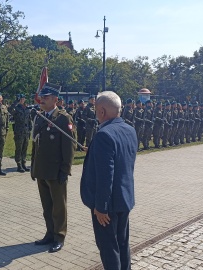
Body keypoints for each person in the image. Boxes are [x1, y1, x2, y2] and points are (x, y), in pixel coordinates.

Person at [80, 91, 138, 270]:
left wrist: (101, 207)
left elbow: (106, 175)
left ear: (102, 111)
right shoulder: (129, 129)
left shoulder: (104, 135)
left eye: (97, 110)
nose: (97, 114)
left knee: (109, 248)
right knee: (122, 244)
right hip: (124, 198)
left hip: (108, 205)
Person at [31, 83, 76, 253]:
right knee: (47, 206)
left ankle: (59, 236)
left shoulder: (63, 118)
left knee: (58, 207)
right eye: (42, 97)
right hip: (42, 170)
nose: (42, 100)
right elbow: (36, 144)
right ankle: (50, 233)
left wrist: (65, 170)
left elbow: (69, 146)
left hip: (56, 171)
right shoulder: (40, 116)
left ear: (55, 99)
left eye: (46, 97)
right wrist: (34, 167)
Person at [9, 94, 31, 172]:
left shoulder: (27, 109)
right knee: (19, 148)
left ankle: (23, 163)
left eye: (23, 99)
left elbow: (29, 120)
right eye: (20, 99)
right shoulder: (16, 108)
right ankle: (19, 164)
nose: (22, 100)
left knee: (24, 148)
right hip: (19, 132)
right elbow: (10, 110)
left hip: (26, 131)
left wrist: (29, 131)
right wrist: (15, 102)